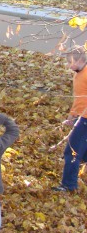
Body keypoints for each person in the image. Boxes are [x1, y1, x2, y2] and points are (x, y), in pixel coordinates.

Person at [51, 48, 87, 192]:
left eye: (70, 62)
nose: (68, 66)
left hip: (84, 119)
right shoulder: (78, 75)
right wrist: (72, 115)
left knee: (72, 151)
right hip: (80, 117)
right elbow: (78, 97)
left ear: (80, 60)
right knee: (83, 153)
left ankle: (69, 185)